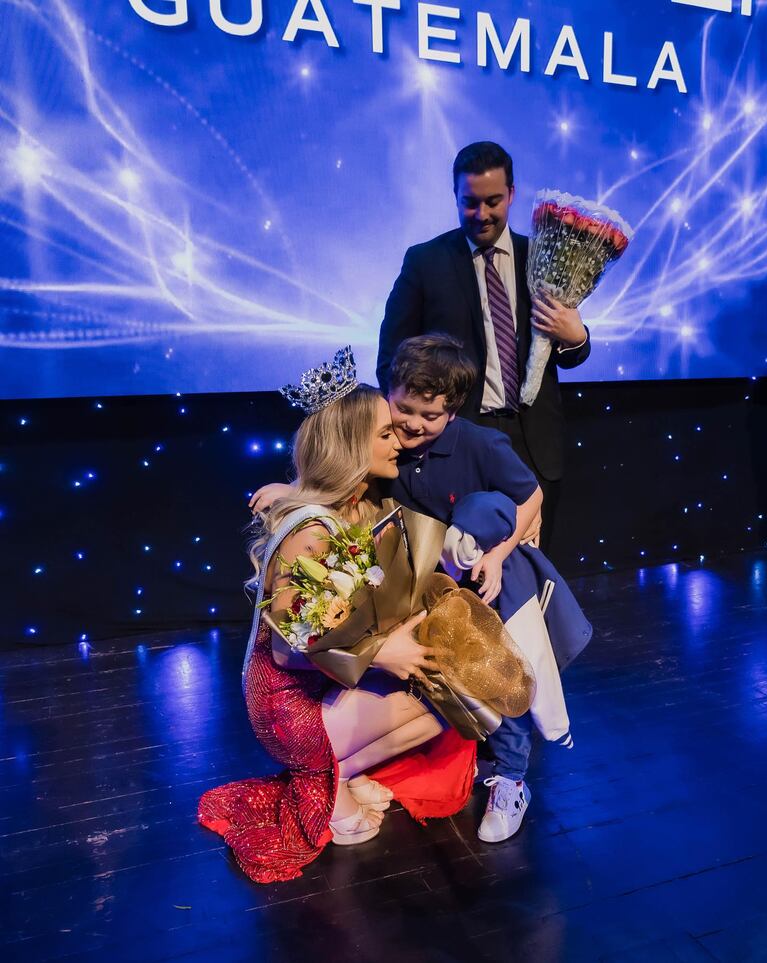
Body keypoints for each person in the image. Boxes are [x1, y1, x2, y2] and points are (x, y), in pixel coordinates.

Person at [252, 335, 592, 844]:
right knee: (452, 692)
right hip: (405, 605)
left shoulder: (476, 445)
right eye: (397, 418)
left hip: (485, 580)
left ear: (452, 412)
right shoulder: (367, 484)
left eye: (426, 415)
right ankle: (326, 776)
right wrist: (296, 493)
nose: (407, 429)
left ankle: (510, 778)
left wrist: (498, 553)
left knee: (502, 671)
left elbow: (529, 496)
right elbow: (333, 487)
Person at [199, 349, 476, 884]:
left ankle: (334, 776)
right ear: (351, 446)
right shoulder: (311, 531)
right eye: (385, 434)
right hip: (289, 706)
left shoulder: (353, 511)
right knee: (436, 700)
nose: (399, 442)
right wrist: (382, 653)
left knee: (446, 699)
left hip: (321, 689)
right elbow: (288, 652)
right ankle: (321, 781)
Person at [377, 141, 592, 553]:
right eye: (470, 202)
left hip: (535, 442)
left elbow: (573, 354)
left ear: (511, 194)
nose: (481, 213)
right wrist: (423, 417)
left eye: (492, 201)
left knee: (532, 563)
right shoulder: (425, 262)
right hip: (458, 442)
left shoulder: (541, 258)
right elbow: (391, 358)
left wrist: (576, 336)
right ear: (455, 197)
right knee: (462, 565)